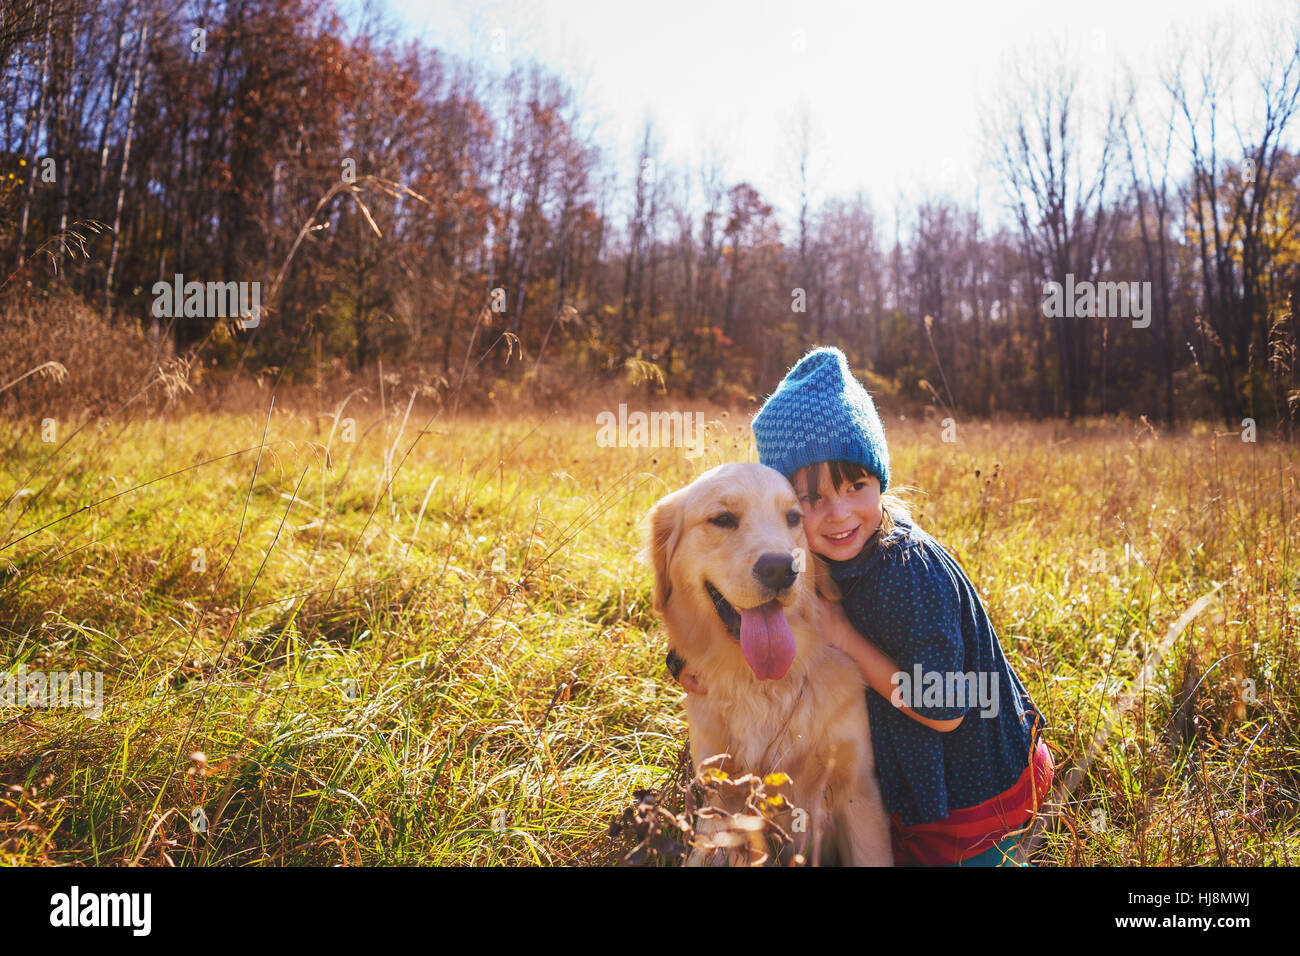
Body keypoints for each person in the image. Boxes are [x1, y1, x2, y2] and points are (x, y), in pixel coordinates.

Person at [667, 346, 1054, 866]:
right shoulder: (801, 557)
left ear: (879, 481)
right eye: (811, 499)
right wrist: (686, 657)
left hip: (978, 791)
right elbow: (737, 615)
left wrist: (844, 635)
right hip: (911, 786)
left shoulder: (911, 572)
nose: (839, 514)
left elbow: (946, 708)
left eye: (856, 486)